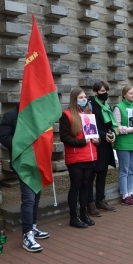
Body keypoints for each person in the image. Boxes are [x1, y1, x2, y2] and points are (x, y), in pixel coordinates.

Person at [0, 104, 50, 252]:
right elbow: (4, 137)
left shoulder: (37, 116)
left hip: (38, 162)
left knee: (36, 195)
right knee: (28, 198)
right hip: (23, 163)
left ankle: (32, 226)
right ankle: (27, 235)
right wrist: (24, 143)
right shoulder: (10, 116)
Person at [59, 88, 99, 228]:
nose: (84, 100)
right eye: (81, 97)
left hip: (90, 155)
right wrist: (82, 142)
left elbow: (94, 134)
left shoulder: (88, 113)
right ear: (74, 99)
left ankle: (83, 213)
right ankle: (73, 216)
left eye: (85, 97)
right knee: (75, 186)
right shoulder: (66, 115)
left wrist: (96, 140)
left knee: (85, 186)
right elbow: (64, 137)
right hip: (75, 158)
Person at [87, 81, 117, 215]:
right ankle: (90, 202)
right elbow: (89, 126)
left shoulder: (107, 106)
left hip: (105, 144)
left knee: (103, 173)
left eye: (106, 91)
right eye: (102, 91)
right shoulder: (90, 106)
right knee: (91, 174)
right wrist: (104, 134)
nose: (105, 94)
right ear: (95, 92)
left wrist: (113, 133)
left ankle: (101, 199)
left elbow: (111, 124)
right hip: (95, 143)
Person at [113, 85, 133, 206]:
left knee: (132, 170)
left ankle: (130, 193)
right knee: (124, 170)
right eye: (131, 93)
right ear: (124, 95)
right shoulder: (118, 107)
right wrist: (130, 129)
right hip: (123, 144)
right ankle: (124, 195)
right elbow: (116, 126)